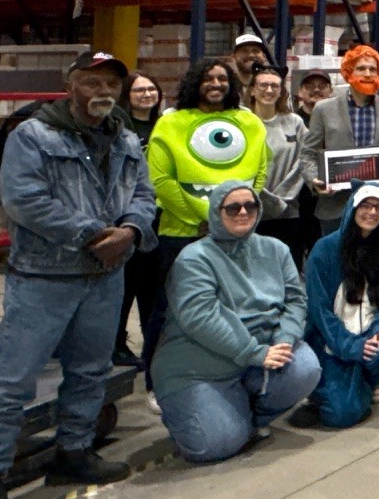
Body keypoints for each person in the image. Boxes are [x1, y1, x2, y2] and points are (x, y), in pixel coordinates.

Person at [0, 51, 156, 499]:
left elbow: (143, 194)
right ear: (69, 84)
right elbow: (24, 201)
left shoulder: (126, 137)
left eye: (110, 83)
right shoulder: (32, 135)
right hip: (43, 279)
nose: (102, 92)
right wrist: (95, 235)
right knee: (12, 381)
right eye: (91, 82)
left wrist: (131, 230)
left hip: (104, 277)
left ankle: (72, 451)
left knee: (90, 371)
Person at [152, 180, 323, 464]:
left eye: (250, 205)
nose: (243, 212)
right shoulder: (194, 260)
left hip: (260, 355)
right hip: (199, 368)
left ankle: (245, 413)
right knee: (211, 447)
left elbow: (296, 300)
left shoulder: (276, 250)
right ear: (216, 213)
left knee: (305, 368)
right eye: (232, 208)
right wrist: (255, 353)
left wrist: (285, 338)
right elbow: (202, 318)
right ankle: (214, 416)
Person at [143, 57, 270, 379]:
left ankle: (224, 372)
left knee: (234, 306)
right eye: (208, 78)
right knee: (169, 309)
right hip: (181, 232)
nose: (216, 84)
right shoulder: (170, 123)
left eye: (222, 78)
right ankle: (157, 379)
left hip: (235, 235)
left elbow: (259, 173)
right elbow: (162, 181)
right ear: (194, 83)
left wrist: (233, 218)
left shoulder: (249, 122)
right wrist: (205, 218)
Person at [297, 184, 379, 428]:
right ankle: (340, 385)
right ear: (352, 207)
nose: (372, 212)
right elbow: (319, 311)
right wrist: (351, 345)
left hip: (371, 331)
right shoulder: (325, 249)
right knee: (340, 415)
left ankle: (367, 379)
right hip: (333, 340)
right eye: (366, 205)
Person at [300, 44, 379, 228]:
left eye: (372, 69)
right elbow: (307, 153)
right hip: (335, 205)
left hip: (378, 205)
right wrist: (314, 180)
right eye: (361, 68)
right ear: (348, 72)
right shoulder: (323, 109)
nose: (367, 74)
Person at [114, 72, 164, 366]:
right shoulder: (120, 127)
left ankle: (152, 345)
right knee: (126, 285)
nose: (146, 94)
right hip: (128, 214)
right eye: (139, 90)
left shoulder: (164, 124)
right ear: (127, 96)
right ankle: (117, 343)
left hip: (160, 214)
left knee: (152, 287)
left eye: (150, 89)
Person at [248, 65, 312, 264]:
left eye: (275, 86)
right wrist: (259, 197)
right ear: (252, 89)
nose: (269, 90)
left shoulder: (294, 123)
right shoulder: (242, 121)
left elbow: (305, 160)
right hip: (249, 210)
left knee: (287, 268)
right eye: (263, 85)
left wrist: (279, 199)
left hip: (288, 211)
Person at [229, 31, 267, 103]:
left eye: (255, 51)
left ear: (264, 57)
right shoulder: (227, 86)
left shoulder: (273, 85)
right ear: (233, 57)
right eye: (244, 51)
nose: (251, 55)